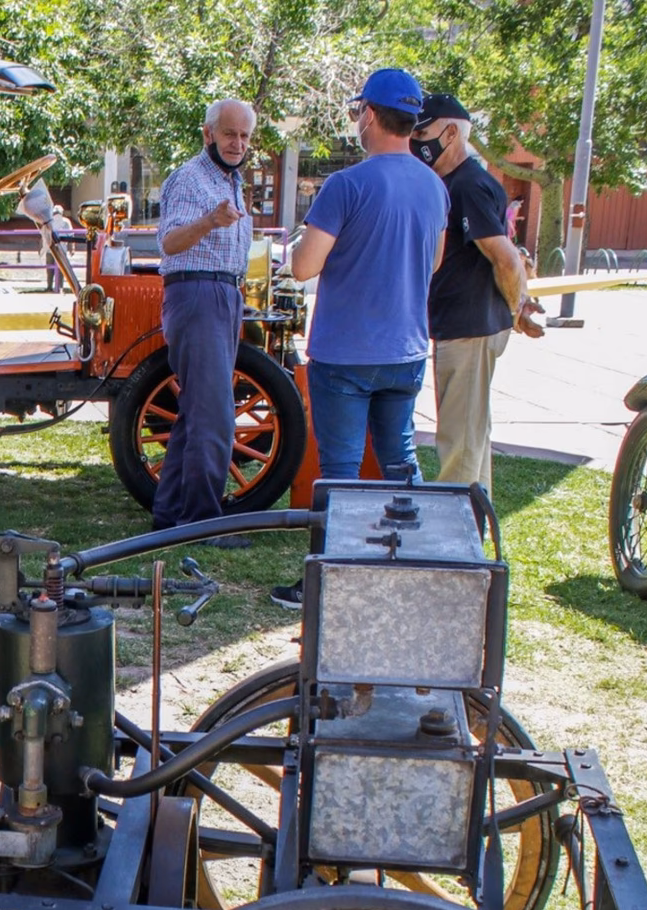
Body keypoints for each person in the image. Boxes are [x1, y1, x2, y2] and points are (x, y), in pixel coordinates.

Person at [272, 68, 447, 607]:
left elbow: (303, 266)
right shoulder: (434, 185)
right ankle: (411, 567)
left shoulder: (346, 185)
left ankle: (327, 583)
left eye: (357, 113)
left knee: (341, 473)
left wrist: (299, 249)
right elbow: (434, 262)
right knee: (400, 463)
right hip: (407, 348)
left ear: (369, 115)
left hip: (346, 353)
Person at [412, 92, 544, 492]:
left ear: (450, 132)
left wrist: (518, 308)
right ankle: (473, 531)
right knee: (470, 439)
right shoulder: (457, 183)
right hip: (459, 328)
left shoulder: (469, 184)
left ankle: (457, 544)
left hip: (470, 330)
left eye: (423, 130)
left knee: (459, 446)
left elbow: (504, 257)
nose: (416, 140)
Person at [151, 97, 257, 542]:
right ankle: (202, 523)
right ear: (208, 133)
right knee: (214, 416)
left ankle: (171, 513)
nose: (238, 143)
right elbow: (169, 242)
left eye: (245, 136)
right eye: (230, 133)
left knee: (197, 414)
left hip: (222, 294)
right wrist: (210, 221)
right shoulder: (190, 179)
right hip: (198, 292)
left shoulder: (231, 180)